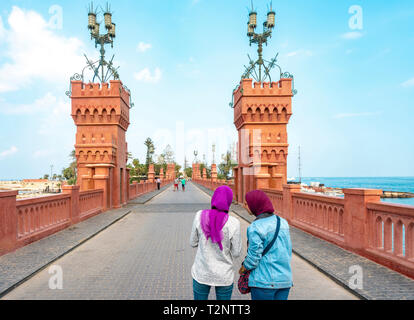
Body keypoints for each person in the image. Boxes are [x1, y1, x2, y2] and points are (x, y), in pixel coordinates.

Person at [238, 190, 293, 300]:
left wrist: (243, 268)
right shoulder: (282, 222)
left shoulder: (255, 227)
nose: (244, 206)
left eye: (246, 203)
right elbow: (287, 250)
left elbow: (253, 258)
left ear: (255, 204)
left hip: (263, 282)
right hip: (284, 280)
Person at [190, 186, 241, 300]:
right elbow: (236, 253)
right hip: (224, 275)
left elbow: (193, 243)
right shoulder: (234, 223)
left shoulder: (200, 216)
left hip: (202, 272)